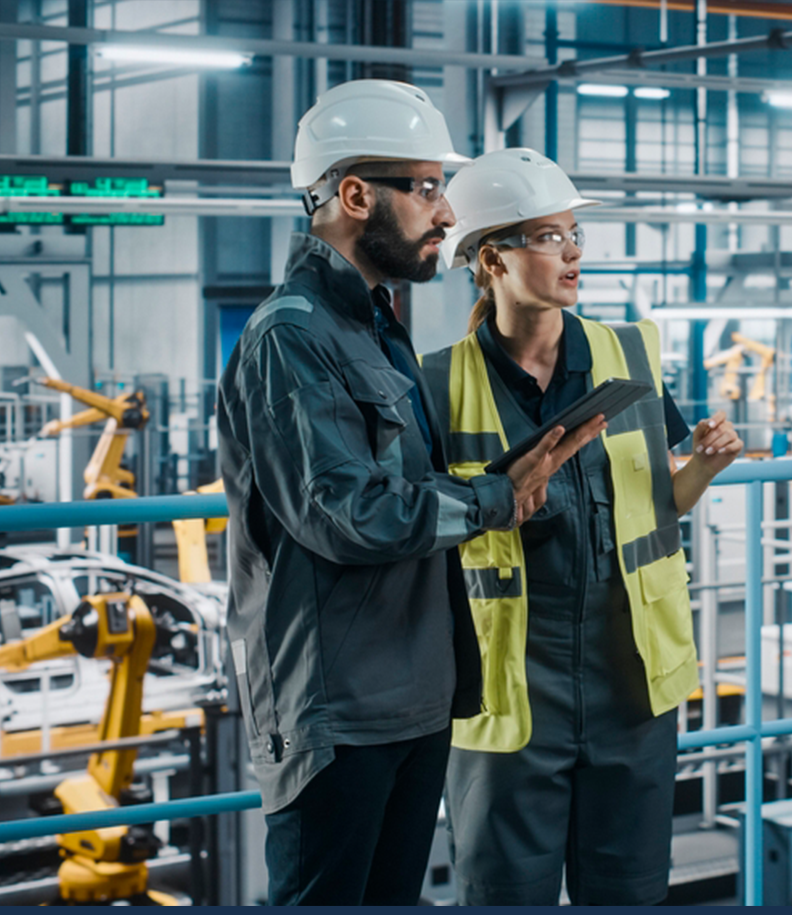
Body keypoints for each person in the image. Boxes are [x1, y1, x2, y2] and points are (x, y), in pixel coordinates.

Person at [216, 85, 604, 906]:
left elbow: (399, 489)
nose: (444, 212)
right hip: (337, 707)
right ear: (355, 195)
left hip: (412, 693)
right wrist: (497, 496)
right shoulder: (291, 335)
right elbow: (344, 513)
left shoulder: (377, 326)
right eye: (426, 188)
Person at [421, 147, 744, 906]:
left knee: (627, 890)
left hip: (630, 681)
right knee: (503, 891)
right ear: (490, 259)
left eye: (573, 236)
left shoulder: (627, 352)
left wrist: (703, 464)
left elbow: (661, 501)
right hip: (506, 691)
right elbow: (419, 525)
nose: (570, 253)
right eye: (546, 237)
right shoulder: (435, 384)